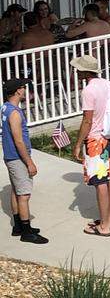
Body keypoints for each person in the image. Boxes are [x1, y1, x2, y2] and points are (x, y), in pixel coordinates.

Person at [70, 55, 110, 238]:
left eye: (78, 69)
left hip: (95, 140)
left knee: (100, 181)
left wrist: (78, 144)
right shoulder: (109, 84)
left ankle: (103, 226)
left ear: (85, 72)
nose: (76, 71)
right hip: (109, 137)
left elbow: (87, 120)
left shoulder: (88, 91)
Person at [3, 78, 48, 244]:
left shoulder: (5, 108)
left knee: (16, 190)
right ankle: (27, 232)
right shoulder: (14, 113)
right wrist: (29, 162)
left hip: (10, 156)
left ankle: (18, 226)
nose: (25, 90)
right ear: (17, 91)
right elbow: (19, 141)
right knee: (24, 195)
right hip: (18, 158)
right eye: (23, 87)